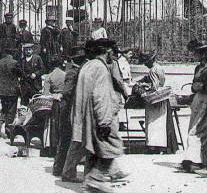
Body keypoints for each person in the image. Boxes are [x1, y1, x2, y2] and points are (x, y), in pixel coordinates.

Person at [72, 38, 128, 192]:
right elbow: (101, 97)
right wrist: (104, 122)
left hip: (86, 117)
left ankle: (89, 184)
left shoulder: (88, 65)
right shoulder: (101, 69)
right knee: (111, 147)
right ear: (107, 51)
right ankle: (94, 180)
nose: (114, 55)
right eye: (113, 51)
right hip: (98, 117)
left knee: (94, 151)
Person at [54, 46, 87, 181]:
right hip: (67, 109)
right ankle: (61, 169)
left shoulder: (74, 71)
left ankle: (59, 168)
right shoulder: (73, 72)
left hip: (68, 108)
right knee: (66, 139)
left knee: (66, 139)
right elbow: (67, 92)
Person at [181, 42, 207, 173]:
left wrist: (203, 87)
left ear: (203, 55)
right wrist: (194, 86)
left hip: (206, 100)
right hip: (197, 100)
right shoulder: (198, 68)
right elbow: (193, 84)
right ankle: (193, 158)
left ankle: (196, 159)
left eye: (196, 53)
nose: (194, 56)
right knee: (194, 128)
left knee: (199, 129)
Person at [138, 51, 178, 154]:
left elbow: (154, 87)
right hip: (162, 97)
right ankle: (161, 146)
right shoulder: (160, 68)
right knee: (160, 121)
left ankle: (152, 146)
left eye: (146, 62)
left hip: (154, 98)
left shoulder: (152, 70)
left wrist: (144, 85)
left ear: (150, 61)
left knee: (152, 122)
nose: (145, 64)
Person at [0, 49, 22, 139]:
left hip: (1, 91)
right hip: (12, 91)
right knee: (11, 111)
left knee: (4, 109)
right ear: (13, 54)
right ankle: (8, 131)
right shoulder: (15, 63)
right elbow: (21, 74)